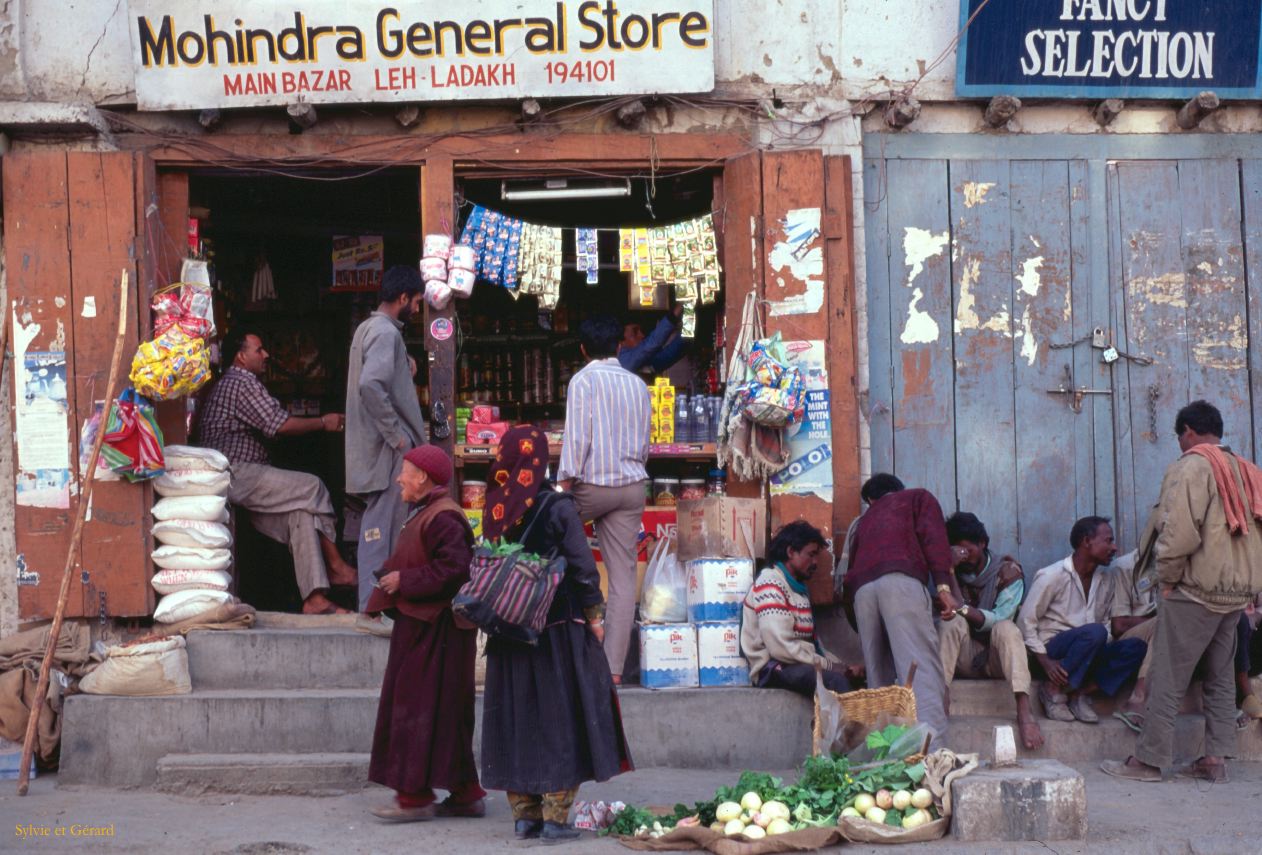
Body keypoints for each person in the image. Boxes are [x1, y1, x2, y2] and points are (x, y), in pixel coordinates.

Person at [480, 425, 632, 843]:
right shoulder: (559, 507)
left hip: (509, 632)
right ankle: (555, 818)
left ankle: (524, 816)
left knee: (516, 718)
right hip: (557, 629)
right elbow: (583, 568)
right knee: (560, 716)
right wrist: (596, 617)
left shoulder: (495, 507)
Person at [1102, 400, 1262, 783]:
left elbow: (1178, 532)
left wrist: (1168, 579)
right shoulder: (1249, 470)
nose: (1180, 443)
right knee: (1220, 676)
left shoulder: (1192, 466)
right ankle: (1215, 760)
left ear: (1188, 431)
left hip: (1196, 590)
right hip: (1236, 594)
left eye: (1180, 436)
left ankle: (1149, 761)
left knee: (1165, 675)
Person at [365, 445, 485, 822]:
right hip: (424, 625)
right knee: (443, 712)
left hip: (439, 631)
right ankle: (465, 794)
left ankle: (415, 798)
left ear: (424, 478)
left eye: (405, 471)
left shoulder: (445, 517)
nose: (400, 478)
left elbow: (455, 569)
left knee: (417, 709)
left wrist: (405, 579)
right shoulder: (428, 511)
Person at [198, 331, 354, 615]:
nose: (266, 355)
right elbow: (278, 424)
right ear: (241, 356)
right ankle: (337, 567)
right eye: (259, 350)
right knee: (313, 487)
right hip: (235, 474)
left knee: (302, 514)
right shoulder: (240, 381)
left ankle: (315, 599)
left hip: (244, 478)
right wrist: (323, 422)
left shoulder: (239, 382)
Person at [557, 314, 651, 684]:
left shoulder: (583, 381)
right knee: (624, 576)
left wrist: (562, 489)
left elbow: (577, 439)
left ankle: (555, 643)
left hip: (591, 487)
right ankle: (611, 670)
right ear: (618, 346)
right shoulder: (637, 384)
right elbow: (644, 443)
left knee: (548, 545)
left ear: (582, 350)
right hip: (631, 488)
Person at [844, 473, 959, 746]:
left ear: (871, 500)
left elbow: (847, 575)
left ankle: (885, 755)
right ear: (898, 489)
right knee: (920, 668)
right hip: (900, 582)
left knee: (878, 679)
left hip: (862, 593)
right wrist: (943, 587)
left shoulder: (863, 522)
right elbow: (935, 538)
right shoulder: (917, 497)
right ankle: (931, 752)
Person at [346, 265, 428, 623]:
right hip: (385, 452)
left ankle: (377, 608)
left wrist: (404, 365)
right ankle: (372, 610)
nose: (419, 310)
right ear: (403, 298)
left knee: (383, 529)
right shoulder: (384, 333)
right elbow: (370, 386)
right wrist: (399, 437)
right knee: (380, 532)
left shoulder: (371, 328)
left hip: (377, 449)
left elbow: (377, 379)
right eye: (418, 303)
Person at [1017, 516, 1145, 725]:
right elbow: (1025, 622)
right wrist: (1045, 661)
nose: (1114, 548)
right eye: (1108, 540)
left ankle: (1078, 693)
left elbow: (1105, 624)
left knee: (1136, 647)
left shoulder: (1104, 581)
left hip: (1086, 653)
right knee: (1095, 632)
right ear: (1087, 541)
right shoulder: (1052, 575)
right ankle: (1051, 689)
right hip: (1052, 656)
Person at [936, 512, 1043, 750]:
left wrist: (962, 608)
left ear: (982, 543)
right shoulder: (946, 571)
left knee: (1007, 628)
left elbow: (998, 618)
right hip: (963, 657)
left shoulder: (1008, 572)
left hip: (996, 658)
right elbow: (949, 608)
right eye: (957, 551)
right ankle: (940, 700)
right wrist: (950, 571)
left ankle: (1025, 712)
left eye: (968, 550)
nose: (963, 557)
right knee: (951, 621)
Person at [742, 521, 859, 696]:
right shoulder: (770, 584)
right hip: (773, 667)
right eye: (811, 555)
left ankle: (830, 723)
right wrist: (830, 667)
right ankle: (848, 724)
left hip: (794, 663)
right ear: (790, 552)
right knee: (836, 682)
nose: (815, 562)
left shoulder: (798, 590)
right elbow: (780, 647)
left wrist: (842, 666)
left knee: (851, 679)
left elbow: (813, 645)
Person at [1108, 546, 1159, 733]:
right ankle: (1138, 697)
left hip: (1163, 639)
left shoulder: (1181, 564)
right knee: (1165, 623)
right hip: (1127, 641)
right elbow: (1118, 626)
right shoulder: (1125, 568)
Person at [617, 306, 687, 374]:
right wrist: (676, 313)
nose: (642, 335)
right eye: (635, 332)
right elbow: (650, 344)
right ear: (620, 342)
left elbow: (671, 351)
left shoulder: (641, 363)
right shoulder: (623, 362)